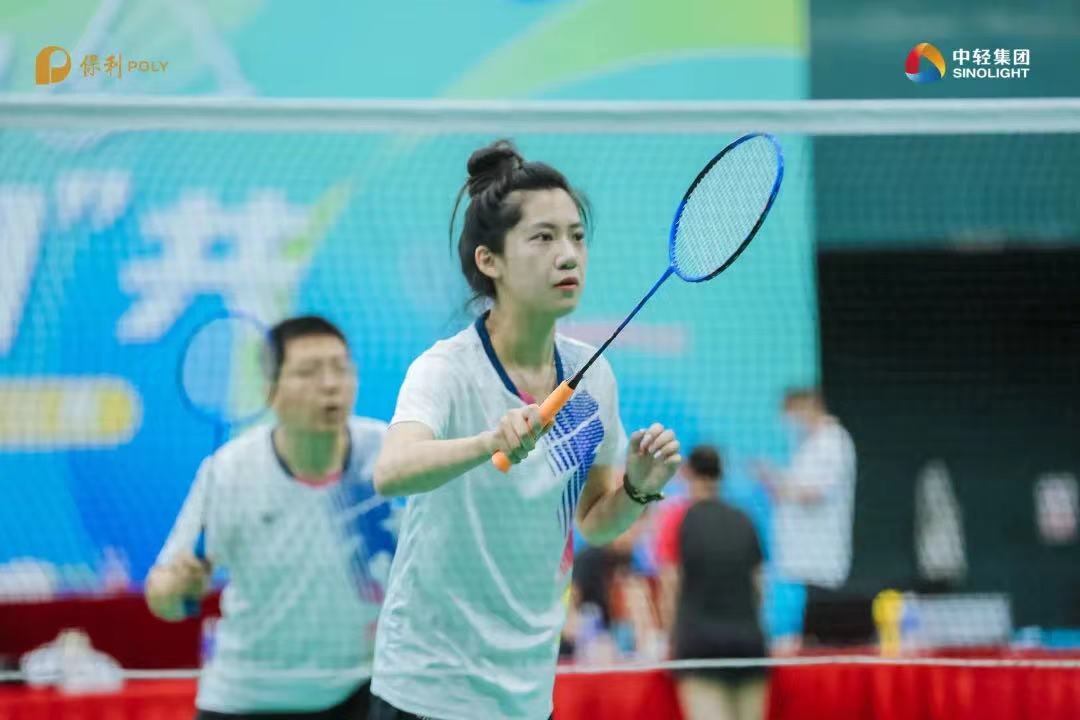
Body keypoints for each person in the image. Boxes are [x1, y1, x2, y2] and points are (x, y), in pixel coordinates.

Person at [369, 139, 682, 720]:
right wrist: (488, 442)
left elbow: (594, 521)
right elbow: (391, 472)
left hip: (527, 691)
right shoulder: (447, 370)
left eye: (577, 237)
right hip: (429, 686)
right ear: (490, 261)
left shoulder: (593, 378)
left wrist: (638, 487)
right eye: (543, 238)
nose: (568, 256)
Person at [146, 315, 396, 720]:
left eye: (340, 368)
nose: (330, 384)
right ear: (269, 390)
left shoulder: (388, 453)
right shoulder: (229, 471)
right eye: (308, 372)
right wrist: (178, 588)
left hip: (362, 690)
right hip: (249, 697)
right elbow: (162, 597)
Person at [655, 445, 767, 720]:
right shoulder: (745, 519)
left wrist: (670, 639)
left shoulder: (676, 519)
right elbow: (759, 588)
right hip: (748, 645)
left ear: (687, 473)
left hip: (700, 647)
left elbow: (670, 585)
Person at [753, 387, 857, 645]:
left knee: (816, 639)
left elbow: (816, 491)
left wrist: (779, 484)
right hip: (796, 562)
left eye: (792, 414)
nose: (790, 423)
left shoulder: (832, 442)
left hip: (819, 564)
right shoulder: (808, 444)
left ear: (809, 407)